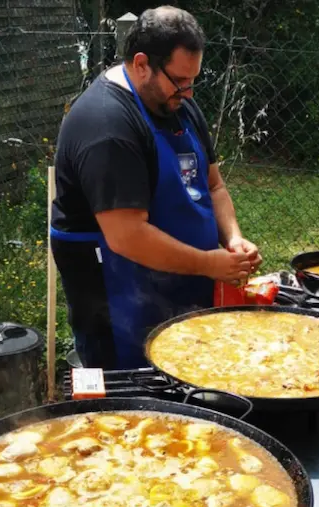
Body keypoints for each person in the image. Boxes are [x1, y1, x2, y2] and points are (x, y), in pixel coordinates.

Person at [51, 5, 262, 369]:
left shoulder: (176, 102)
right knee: (130, 403)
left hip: (183, 282)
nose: (189, 93)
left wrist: (232, 239)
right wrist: (209, 263)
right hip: (117, 297)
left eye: (193, 80)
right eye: (180, 81)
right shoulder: (106, 126)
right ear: (141, 63)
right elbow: (126, 235)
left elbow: (214, 186)